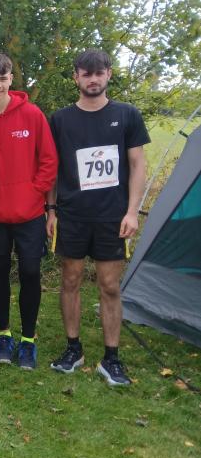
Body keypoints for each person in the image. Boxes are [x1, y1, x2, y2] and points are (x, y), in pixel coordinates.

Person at [47, 49, 149, 386]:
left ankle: (112, 357)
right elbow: (51, 169)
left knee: (109, 285)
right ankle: (73, 348)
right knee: (71, 281)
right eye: (86, 73)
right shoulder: (60, 119)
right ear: (75, 77)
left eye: (99, 72)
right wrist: (50, 210)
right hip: (72, 216)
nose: (93, 79)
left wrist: (132, 211)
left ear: (108, 75)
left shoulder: (128, 115)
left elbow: (137, 165)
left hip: (112, 217)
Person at [0, 52, 58, 369]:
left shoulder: (32, 115)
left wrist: (33, 192)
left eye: (3, 78)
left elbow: (49, 160)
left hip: (29, 214)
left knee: (30, 273)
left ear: (12, 79)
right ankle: (4, 335)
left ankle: (28, 340)